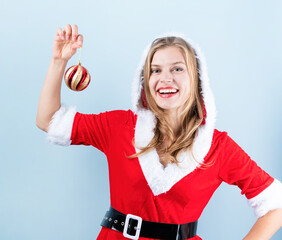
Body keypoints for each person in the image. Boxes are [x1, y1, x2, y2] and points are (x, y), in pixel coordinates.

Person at [36, 24, 282, 240]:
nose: (165, 78)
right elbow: (49, 121)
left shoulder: (218, 147)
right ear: (144, 80)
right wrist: (59, 61)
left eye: (177, 69)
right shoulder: (118, 127)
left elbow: (276, 205)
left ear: (197, 79)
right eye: (155, 70)